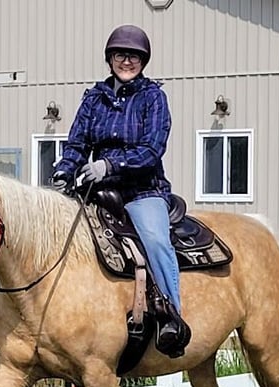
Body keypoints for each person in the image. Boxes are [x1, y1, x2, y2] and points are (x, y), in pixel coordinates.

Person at [51, 24, 190, 357]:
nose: (126, 61)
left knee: (155, 240)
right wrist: (63, 170)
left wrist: (109, 166)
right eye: (120, 55)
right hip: (98, 190)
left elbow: (152, 149)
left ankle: (172, 316)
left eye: (133, 56)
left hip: (143, 190)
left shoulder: (153, 97)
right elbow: (77, 142)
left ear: (143, 61)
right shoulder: (93, 98)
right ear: (109, 58)